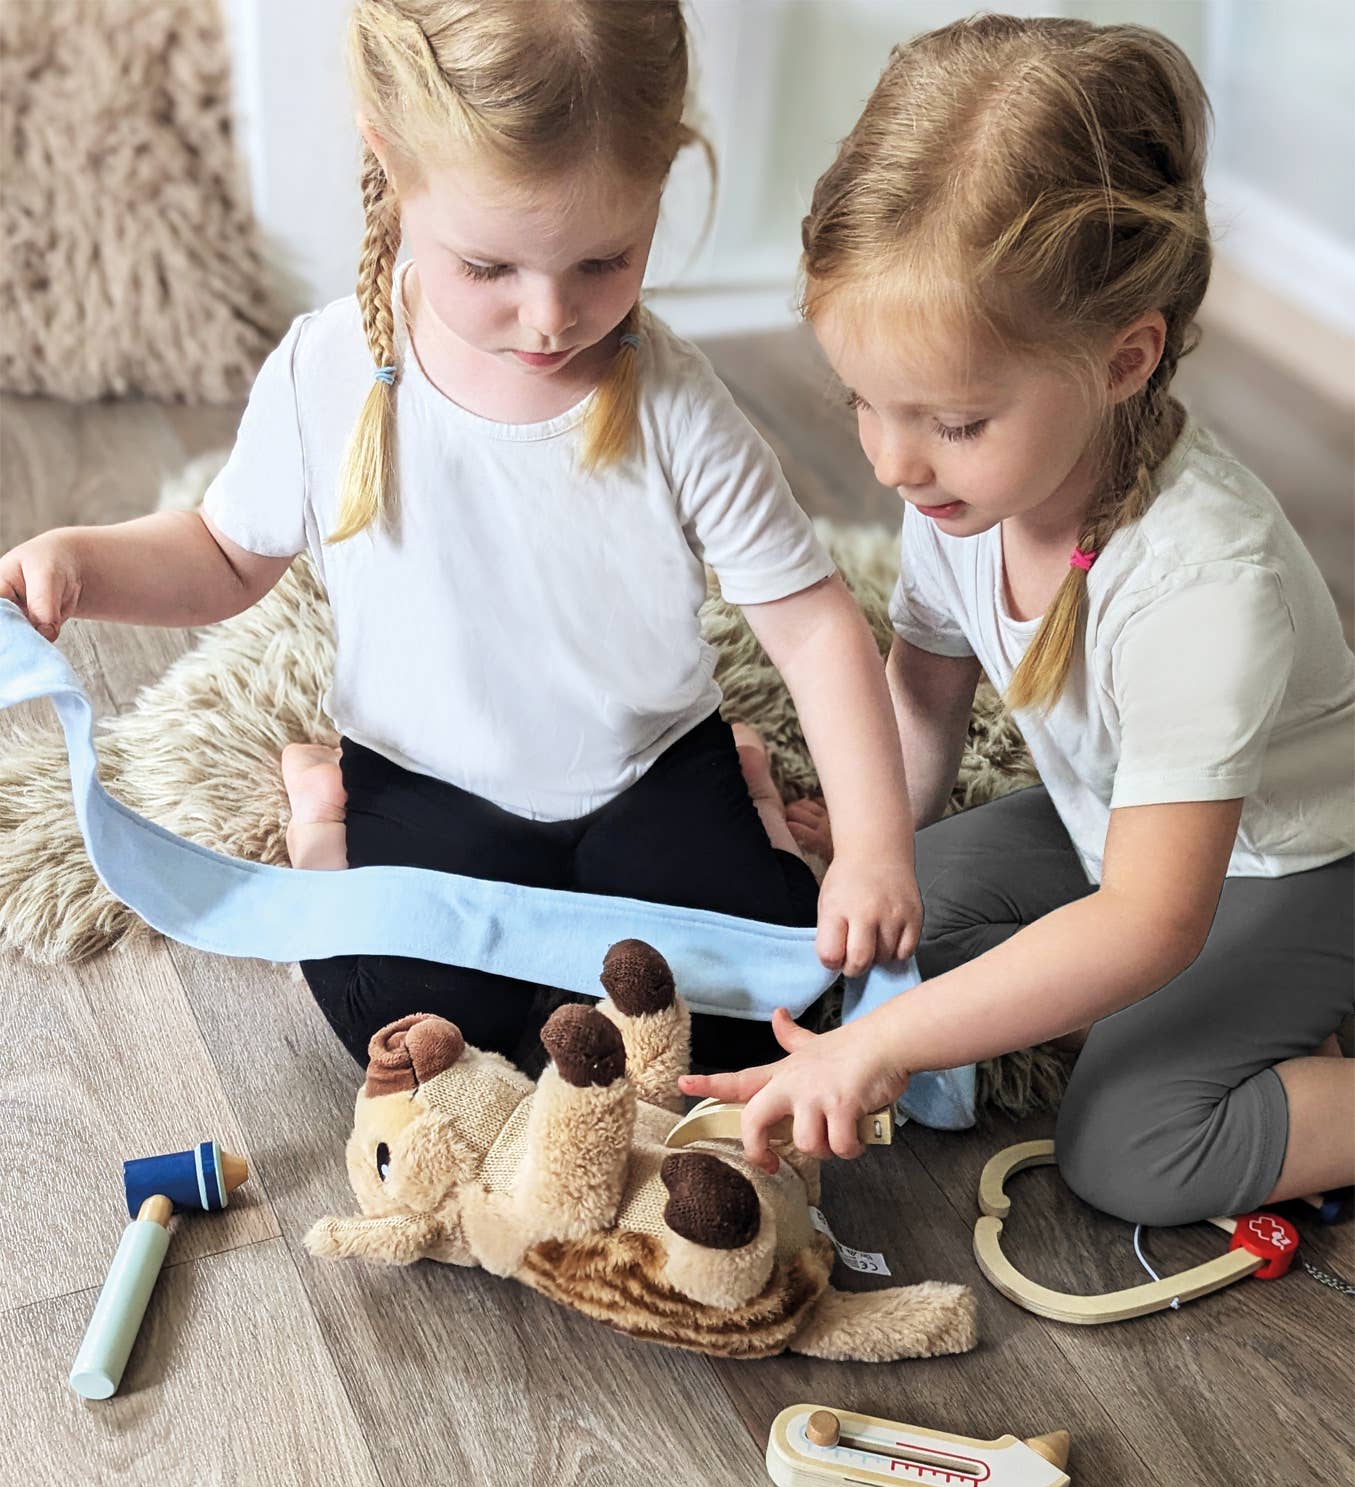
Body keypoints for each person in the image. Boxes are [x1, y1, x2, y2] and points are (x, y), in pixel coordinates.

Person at [0, 0, 916, 1073]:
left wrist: (873, 847)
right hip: (424, 774)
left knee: (734, 1018)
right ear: (388, 161)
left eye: (603, 262)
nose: (549, 317)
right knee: (415, 1031)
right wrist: (81, 562)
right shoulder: (327, 369)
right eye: (490, 269)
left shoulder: (673, 402)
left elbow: (812, 630)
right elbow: (220, 555)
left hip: (647, 764)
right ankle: (319, 816)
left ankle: (743, 788)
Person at [681, 14, 1355, 1226]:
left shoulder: (1205, 583)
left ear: (1122, 358)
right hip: (1111, 821)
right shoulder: (962, 493)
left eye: (949, 420)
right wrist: (881, 834)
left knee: (1129, 1150)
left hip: (1284, 865)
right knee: (855, 937)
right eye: (862, 404)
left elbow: (1151, 921)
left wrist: (880, 1056)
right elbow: (927, 690)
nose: (891, 462)